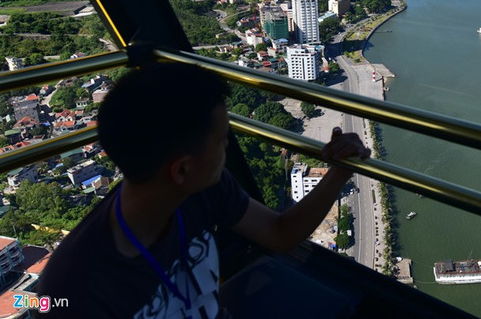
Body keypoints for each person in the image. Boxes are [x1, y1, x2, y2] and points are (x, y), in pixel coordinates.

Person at [36, 62, 370, 317]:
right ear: (181, 169)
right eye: (222, 139)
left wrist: (338, 172)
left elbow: (279, 233)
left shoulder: (202, 188)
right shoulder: (75, 285)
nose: (228, 144)